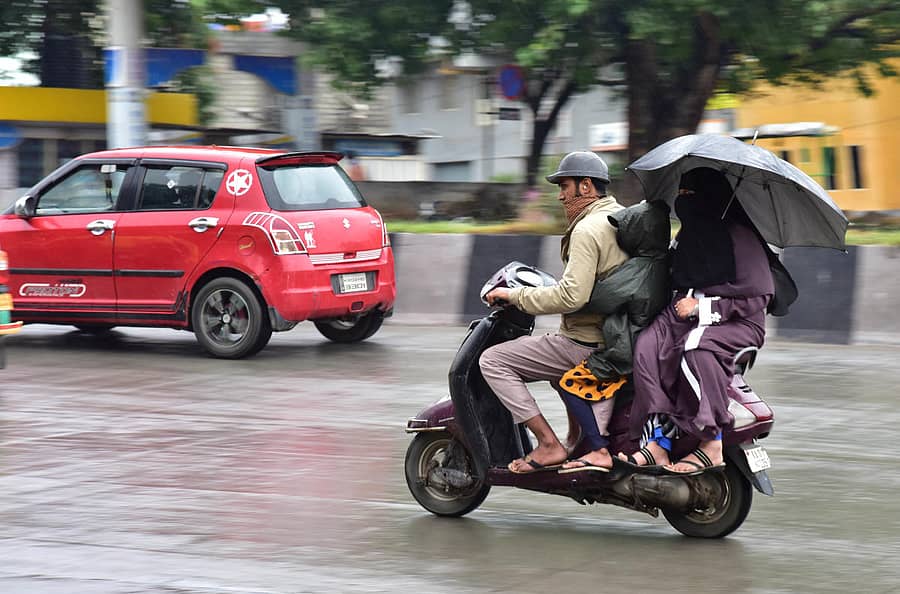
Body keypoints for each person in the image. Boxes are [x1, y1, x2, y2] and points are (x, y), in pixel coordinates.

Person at [618, 167, 775, 474]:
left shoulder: (741, 238)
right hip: (683, 313)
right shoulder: (690, 234)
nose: (684, 201)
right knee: (647, 346)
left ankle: (712, 441)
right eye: (682, 194)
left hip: (739, 322)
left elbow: (757, 298)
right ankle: (658, 442)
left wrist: (701, 310)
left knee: (696, 347)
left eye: (693, 195)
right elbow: (673, 274)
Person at [479, 151, 628, 474]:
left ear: (586, 186)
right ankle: (576, 440)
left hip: (586, 341)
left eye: (565, 186)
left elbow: (572, 296)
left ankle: (548, 445)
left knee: (492, 361)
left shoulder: (588, 229)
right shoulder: (620, 215)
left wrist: (514, 295)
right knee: (549, 361)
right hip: (618, 336)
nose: (560, 195)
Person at [555, 199, 672, 473]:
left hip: (624, 345)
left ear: (641, 233)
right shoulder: (664, 262)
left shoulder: (639, 268)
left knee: (568, 383)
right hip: (646, 340)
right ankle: (598, 436)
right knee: (603, 385)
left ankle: (597, 448)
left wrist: (567, 292)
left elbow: (598, 300)